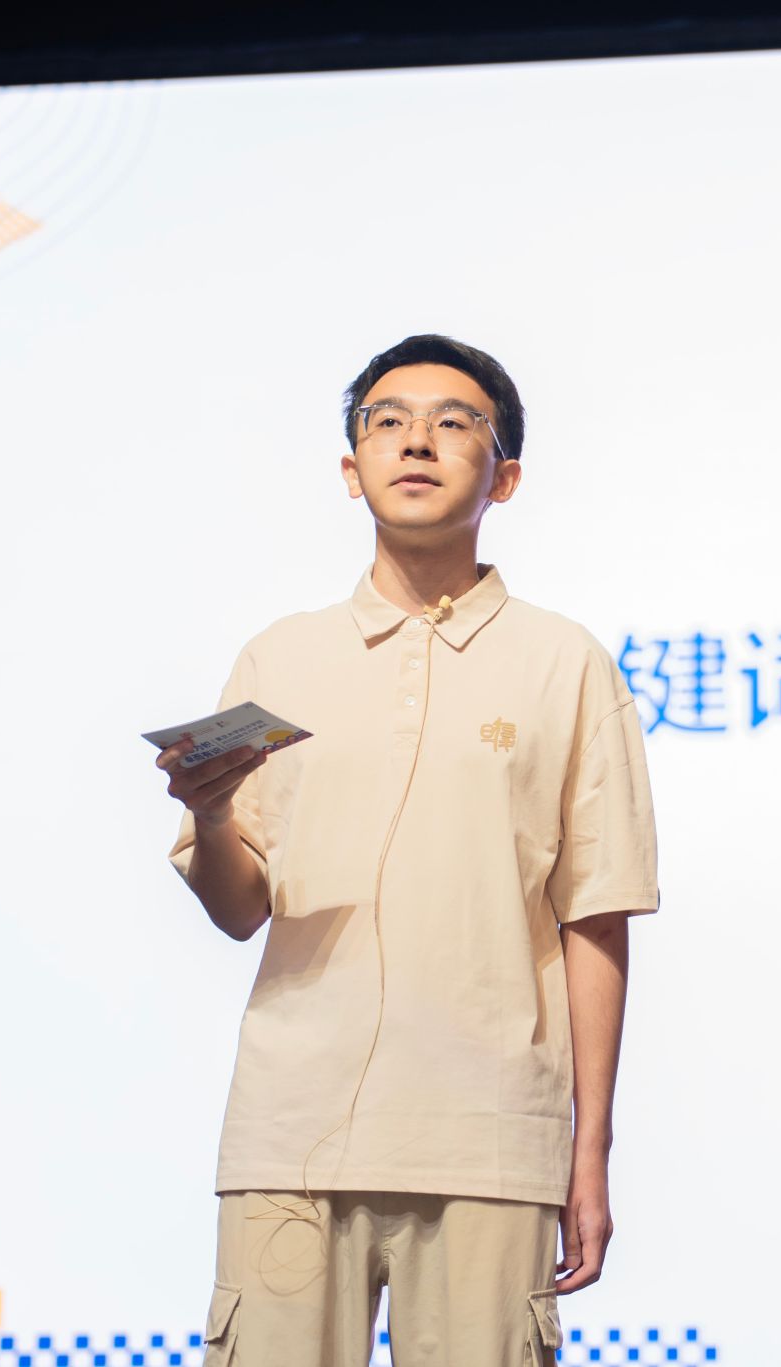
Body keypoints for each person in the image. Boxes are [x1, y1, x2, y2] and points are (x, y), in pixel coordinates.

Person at [153, 334, 660, 1367]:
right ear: (352, 469)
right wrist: (209, 813)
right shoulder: (279, 655)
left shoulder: (563, 662)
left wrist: (588, 1149)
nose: (415, 441)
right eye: (386, 421)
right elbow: (240, 906)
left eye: (453, 422)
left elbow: (596, 914)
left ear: (503, 477)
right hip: (292, 1130)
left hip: (489, 1136)